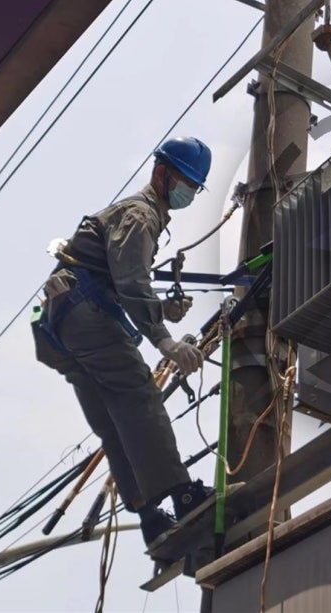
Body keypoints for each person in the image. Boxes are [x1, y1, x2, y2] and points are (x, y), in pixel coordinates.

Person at [31, 137, 215, 546]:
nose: (187, 191)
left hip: (62, 325)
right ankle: (183, 495)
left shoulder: (141, 216)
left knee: (115, 422)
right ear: (162, 173)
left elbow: (118, 280)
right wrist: (165, 340)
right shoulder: (141, 214)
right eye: (184, 180)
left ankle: (150, 518)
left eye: (193, 186)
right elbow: (131, 280)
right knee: (138, 397)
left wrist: (162, 311)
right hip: (83, 314)